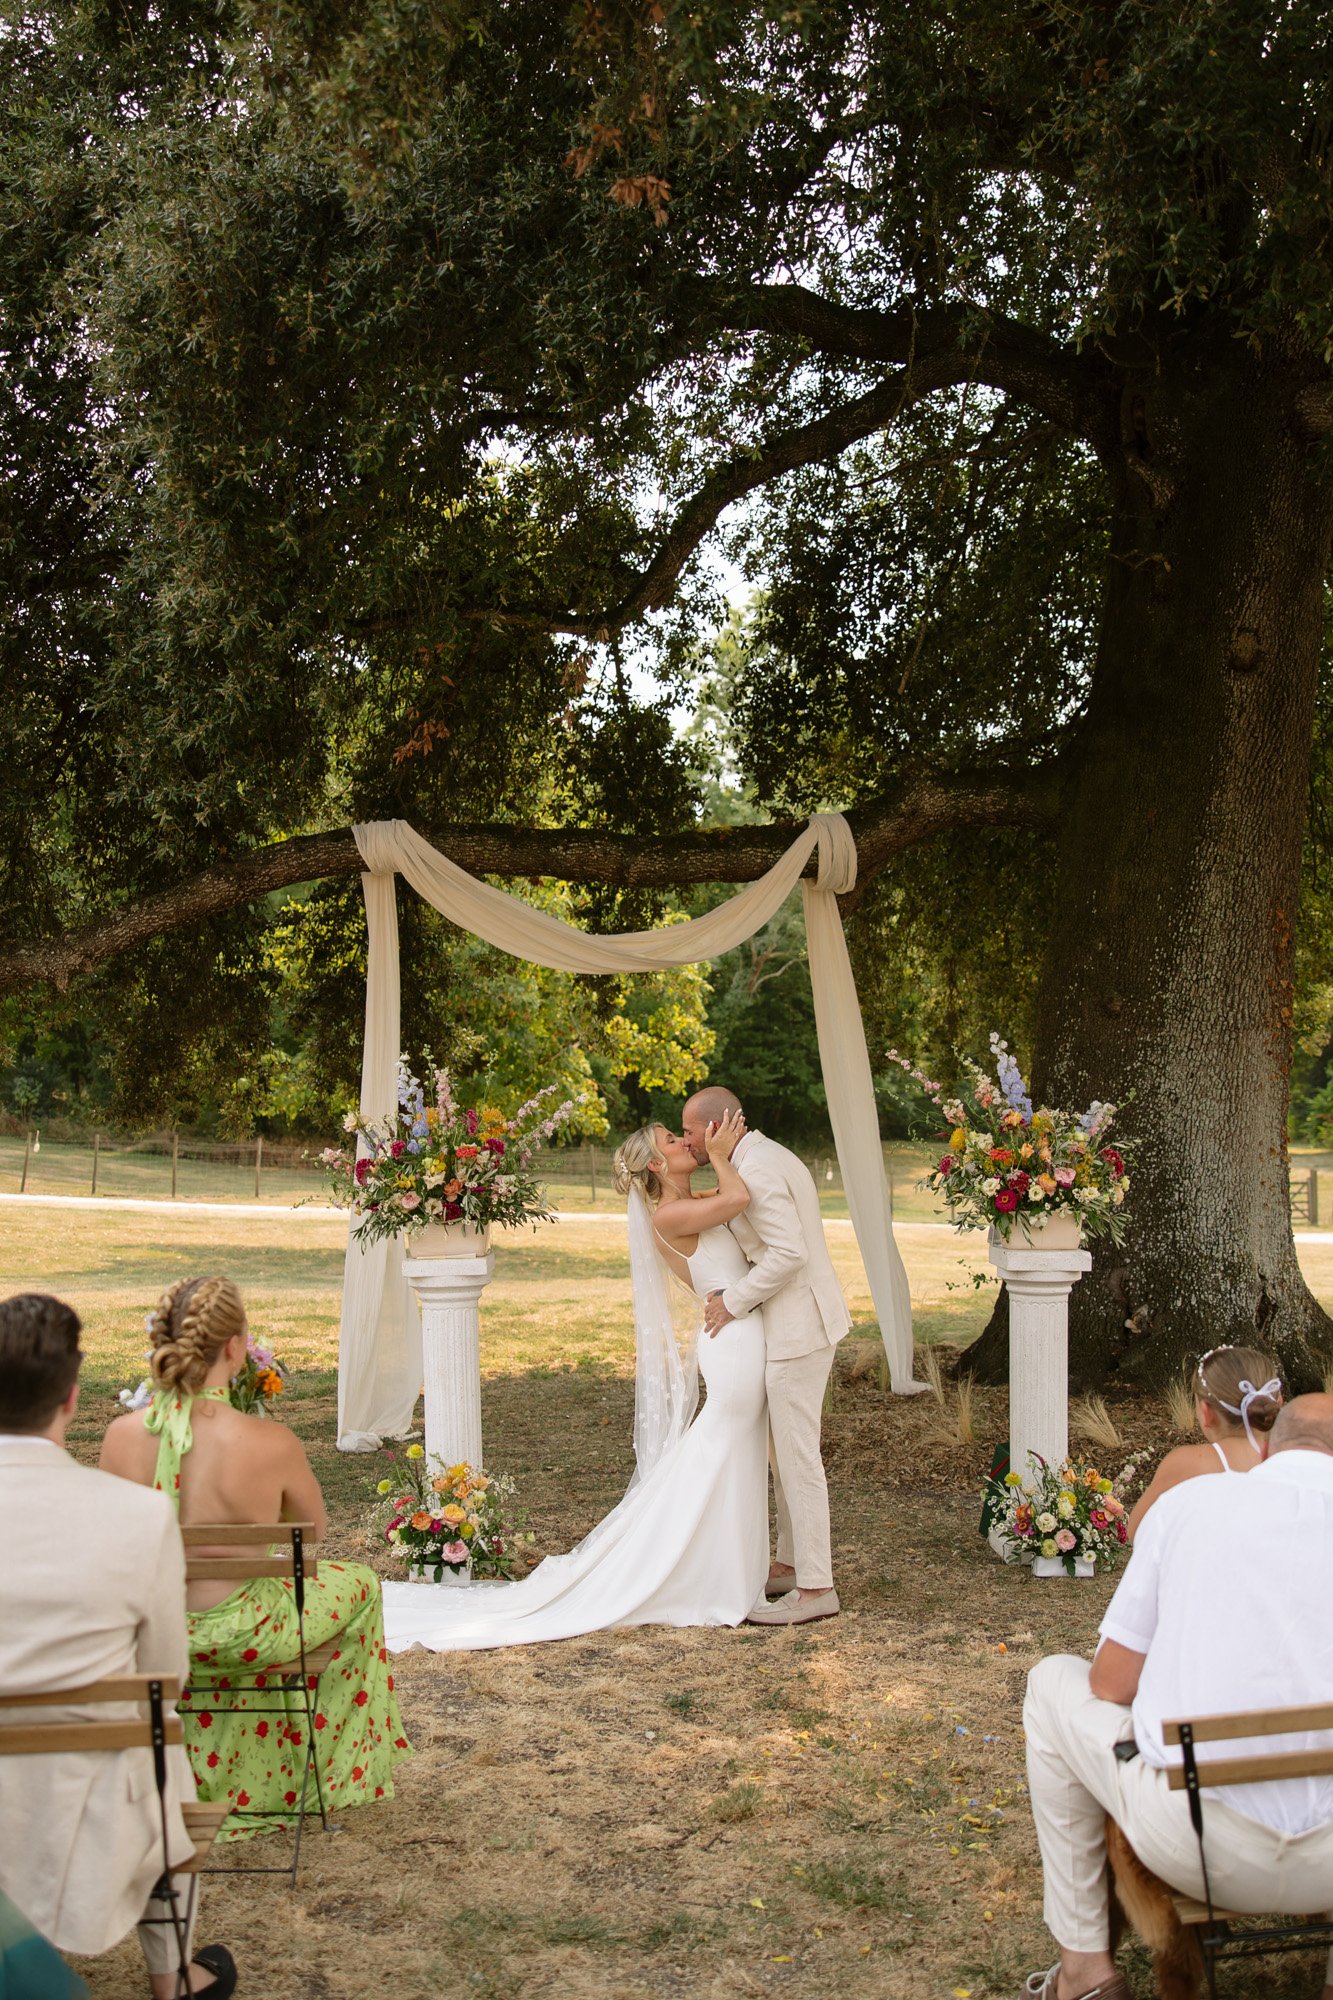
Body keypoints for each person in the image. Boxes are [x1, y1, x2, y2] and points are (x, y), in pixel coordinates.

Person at [379, 1108, 770, 1651]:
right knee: (721, 1448)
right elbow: (740, 1200)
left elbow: (738, 1203)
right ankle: (700, 1572)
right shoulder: (669, 1215)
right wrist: (724, 1156)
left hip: (737, 1331)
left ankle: (723, 1568)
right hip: (730, 1342)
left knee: (731, 1449)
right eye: (672, 1139)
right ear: (657, 1163)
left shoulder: (689, 1203)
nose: (686, 1140)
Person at [1021, 1393, 1333, 2000]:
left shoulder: (1192, 1503)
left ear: (1266, 1448)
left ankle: (1085, 1973)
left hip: (1197, 1842)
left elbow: (1110, 1683)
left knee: (1051, 1681)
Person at [99, 1276, 411, 1838]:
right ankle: (306, 1775)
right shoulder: (269, 1443)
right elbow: (312, 1533)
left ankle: (192, 1772)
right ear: (236, 1346)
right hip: (250, 1632)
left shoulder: (121, 1437)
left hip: (151, 1631)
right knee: (361, 1583)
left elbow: (111, 1546)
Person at [0, 1292, 236, 1999]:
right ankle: (175, 1980)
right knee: (160, 1740)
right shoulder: (136, 1515)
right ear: (70, 1397)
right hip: (94, 1786)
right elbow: (166, 1671)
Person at [682, 1085, 852, 1625]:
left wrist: (731, 1301)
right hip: (793, 1322)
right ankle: (789, 1561)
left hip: (799, 1326)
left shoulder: (756, 1167)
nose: (685, 1140)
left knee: (798, 1456)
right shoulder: (759, 1154)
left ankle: (817, 1587)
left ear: (714, 1128)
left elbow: (789, 1252)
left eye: (688, 1131)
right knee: (785, 1452)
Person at [1128, 1343, 1282, 1536]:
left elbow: (1137, 1530)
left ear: (1206, 1412)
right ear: (1278, 1401)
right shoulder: (1294, 1461)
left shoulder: (1191, 1463)